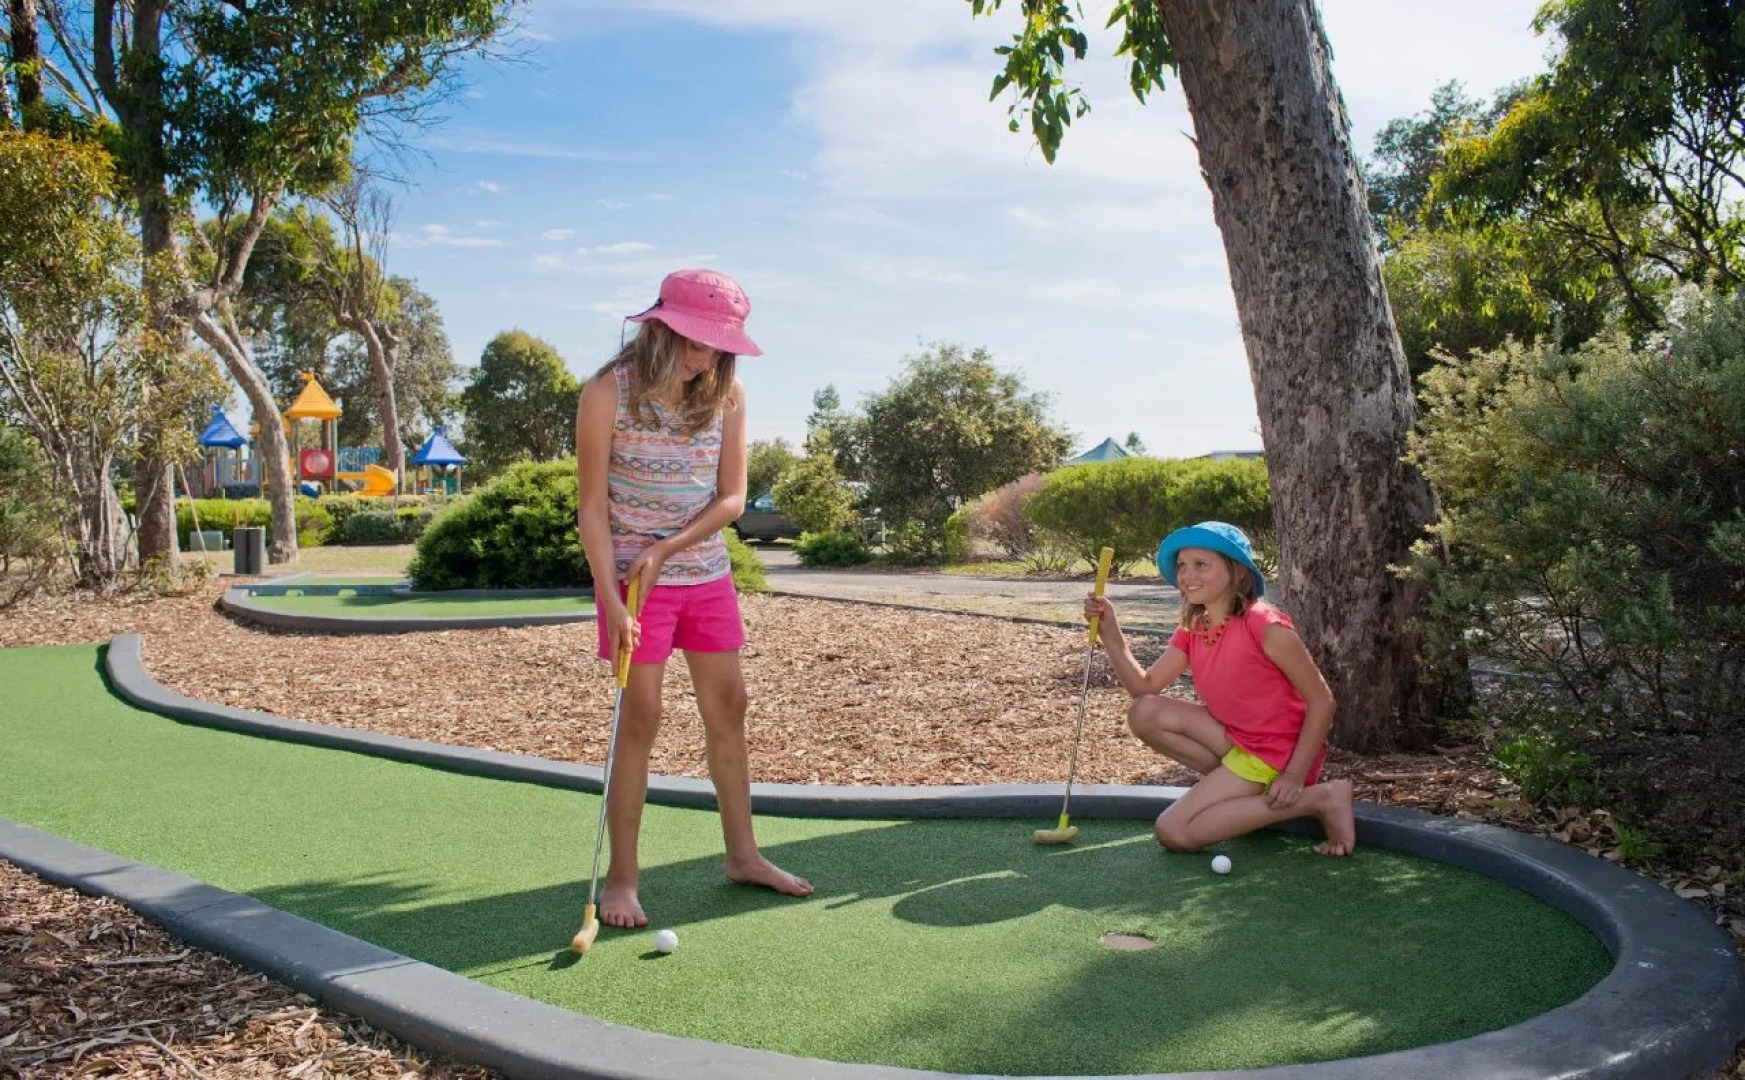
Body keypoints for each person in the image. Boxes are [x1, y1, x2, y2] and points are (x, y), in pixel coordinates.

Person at [575, 267, 813, 928]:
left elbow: (731, 497)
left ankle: (743, 856)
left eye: (716, 345)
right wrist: (615, 597)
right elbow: (591, 509)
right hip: (631, 580)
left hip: (703, 573)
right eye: (693, 340)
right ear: (659, 326)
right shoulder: (608, 391)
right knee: (642, 717)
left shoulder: (727, 398)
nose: (704, 355)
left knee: (730, 705)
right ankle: (621, 880)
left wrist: (669, 546)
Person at [1083, 521, 1356, 856]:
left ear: (1236, 572)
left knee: (1174, 831)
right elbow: (1145, 686)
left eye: (1201, 565)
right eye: (1182, 565)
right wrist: (1111, 631)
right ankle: (1241, 795)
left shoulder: (1265, 625)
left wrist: (1295, 776)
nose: (1186, 575)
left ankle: (1320, 798)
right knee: (1145, 711)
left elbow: (1322, 702)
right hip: (1236, 739)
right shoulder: (1196, 626)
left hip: (1275, 753)